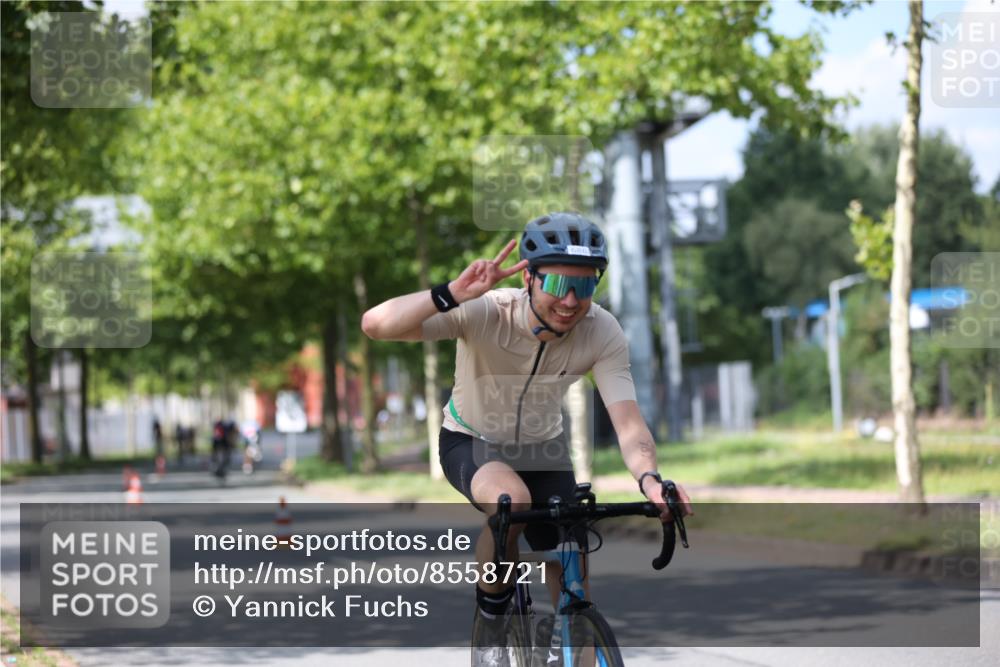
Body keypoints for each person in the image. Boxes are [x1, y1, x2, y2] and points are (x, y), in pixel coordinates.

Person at [362, 212, 692, 662]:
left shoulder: (602, 330)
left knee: (571, 556)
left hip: (543, 450)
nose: (572, 300)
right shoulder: (485, 312)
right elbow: (375, 324)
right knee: (510, 502)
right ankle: (493, 621)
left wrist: (651, 480)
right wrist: (452, 294)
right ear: (530, 278)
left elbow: (629, 423)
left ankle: (568, 642)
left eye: (586, 285)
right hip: (471, 441)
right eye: (558, 284)